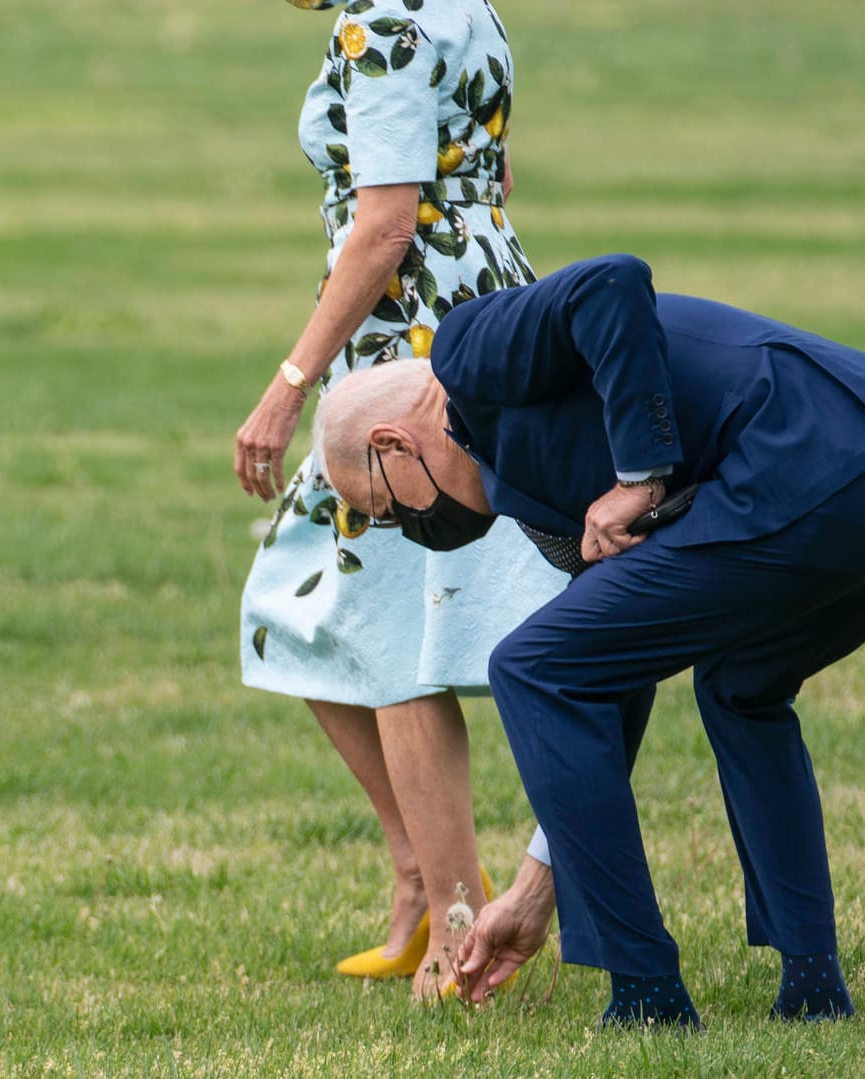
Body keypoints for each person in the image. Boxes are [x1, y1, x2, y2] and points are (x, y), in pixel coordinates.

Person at [311, 253, 865, 1027]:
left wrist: (640, 472)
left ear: (395, 445)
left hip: (832, 463)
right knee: (741, 686)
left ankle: (647, 994)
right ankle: (813, 987)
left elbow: (612, 283)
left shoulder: (465, 355)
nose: (407, 527)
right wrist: (536, 892)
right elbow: (611, 684)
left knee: (531, 667)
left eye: (388, 510)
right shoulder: (540, 493)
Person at [235, 0, 566, 997]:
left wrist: (289, 386)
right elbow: (493, 172)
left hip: (409, 352)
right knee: (299, 608)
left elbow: (382, 227)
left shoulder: (377, 23)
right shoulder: (463, 5)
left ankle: (458, 930)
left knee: (393, 643)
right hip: (489, 307)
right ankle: (423, 874)